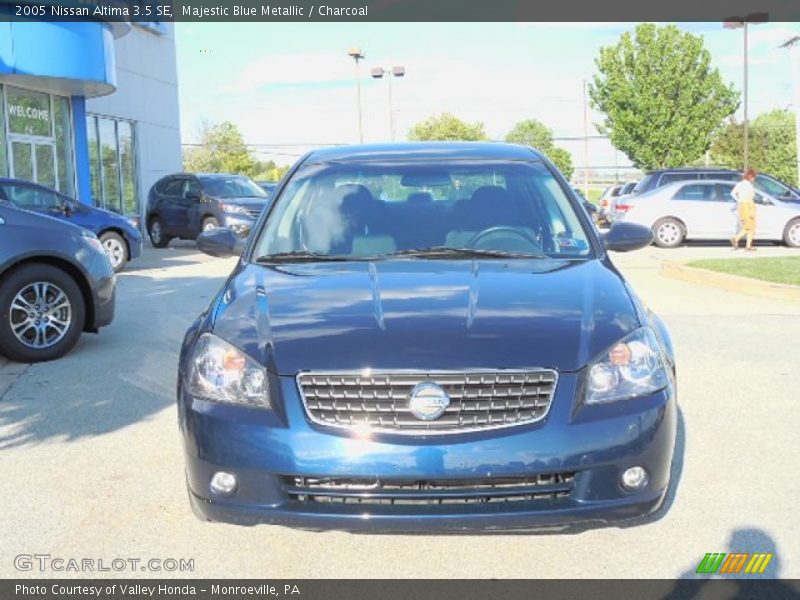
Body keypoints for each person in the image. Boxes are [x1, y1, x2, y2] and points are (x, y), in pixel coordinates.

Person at [731, 169, 758, 251]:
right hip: (748, 205)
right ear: (750, 177)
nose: (754, 179)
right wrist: (752, 211)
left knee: (750, 226)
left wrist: (739, 200)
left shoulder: (739, 184)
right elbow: (750, 197)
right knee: (749, 226)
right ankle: (736, 239)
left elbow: (732, 193)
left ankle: (748, 246)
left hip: (741, 205)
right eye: (753, 177)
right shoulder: (749, 186)